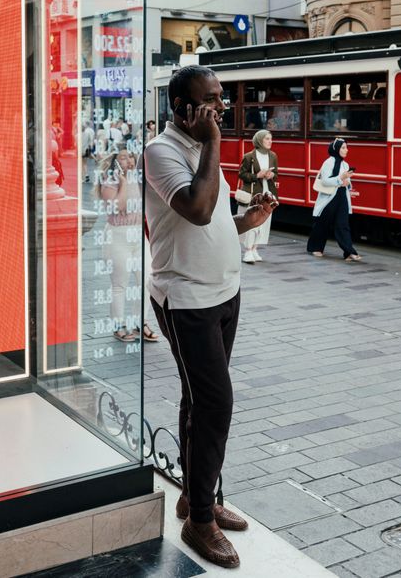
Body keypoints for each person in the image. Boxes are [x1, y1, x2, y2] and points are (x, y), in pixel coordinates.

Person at [143, 65, 276, 569]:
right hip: (186, 299)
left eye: (221, 99)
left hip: (224, 293)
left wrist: (248, 220)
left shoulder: (204, 150)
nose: (221, 107)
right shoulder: (163, 151)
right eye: (211, 100)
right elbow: (196, 209)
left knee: (197, 400)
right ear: (181, 107)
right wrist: (215, 139)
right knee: (216, 403)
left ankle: (195, 496)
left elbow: (214, 219)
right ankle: (200, 521)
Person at [95, 147, 158, 343]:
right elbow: (119, 207)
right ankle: (118, 325)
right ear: (115, 162)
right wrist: (122, 183)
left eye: (130, 156)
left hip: (139, 236)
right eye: (123, 157)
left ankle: (140, 322)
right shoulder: (110, 182)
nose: (128, 160)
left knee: (147, 281)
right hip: (117, 236)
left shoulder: (140, 180)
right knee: (120, 285)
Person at [307, 138, 361, 261]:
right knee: (322, 223)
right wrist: (340, 179)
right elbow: (325, 181)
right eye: (343, 147)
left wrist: (348, 184)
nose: (346, 150)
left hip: (342, 197)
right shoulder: (328, 162)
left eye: (346, 147)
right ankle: (316, 248)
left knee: (343, 224)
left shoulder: (345, 164)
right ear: (336, 149)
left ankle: (349, 252)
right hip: (329, 198)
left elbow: (346, 182)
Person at [236, 130, 278, 264]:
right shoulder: (249, 156)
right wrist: (257, 176)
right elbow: (242, 174)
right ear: (259, 140)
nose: (270, 141)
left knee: (263, 223)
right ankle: (247, 250)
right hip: (254, 193)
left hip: (268, 193)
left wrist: (271, 175)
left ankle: (255, 248)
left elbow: (276, 173)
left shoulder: (273, 156)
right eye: (267, 139)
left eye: (271, 139)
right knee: (252, 221)